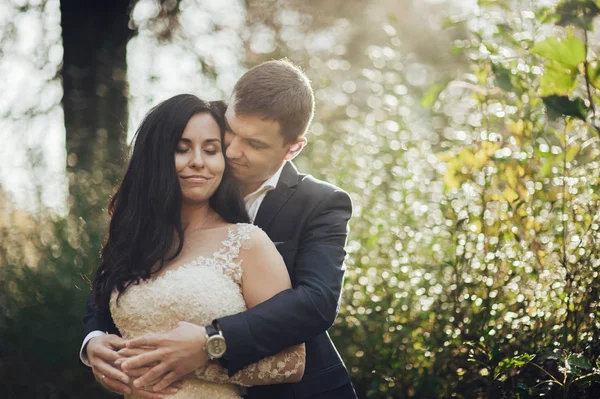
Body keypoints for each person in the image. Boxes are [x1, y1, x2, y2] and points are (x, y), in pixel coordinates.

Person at [82, 60, 357, 399]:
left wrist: (213, 341)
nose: (231, 150)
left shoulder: (320, 203)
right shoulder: (201, 138)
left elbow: (316, 303)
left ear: (293, 147)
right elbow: (120, 273)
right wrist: (93, 340)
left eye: (254, 144)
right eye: (230, 132)